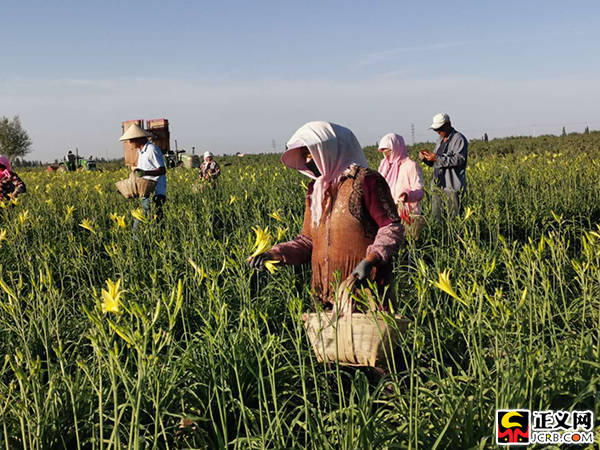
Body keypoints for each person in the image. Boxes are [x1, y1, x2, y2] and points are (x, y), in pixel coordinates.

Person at [248, 121, 404, 307]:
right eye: (304, 155)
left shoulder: (367, 181)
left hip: (364, 289)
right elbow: (307, 241)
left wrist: (371, 260)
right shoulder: (315, 189)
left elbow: (391, 227)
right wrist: (273, 254)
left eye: (310, 154)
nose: (307, 161)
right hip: (324, 295)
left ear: (329, 149)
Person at [418, 113, 468, 221]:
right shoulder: (439, 140)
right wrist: (426, 159)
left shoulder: (459, 139)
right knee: (437, 219)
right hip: (437, 187)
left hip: (452, 187)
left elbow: (459, 159)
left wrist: (436, 158)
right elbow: (436, 163)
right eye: (436, 130)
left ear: (448, 124)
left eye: (440, 129)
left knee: (453, 221)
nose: (438, 132)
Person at [377, 133, 425, 239]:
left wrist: (407, 195)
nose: (386, 155)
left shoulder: (410, 166)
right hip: (388, 212)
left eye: (388, 151)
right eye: (383, 151)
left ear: (397, 148)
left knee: (407, 244)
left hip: (406, 215)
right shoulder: (384, 166)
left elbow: (420, 192)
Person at [119, 123, 166, 226]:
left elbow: (162, 170)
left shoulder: (152, 150)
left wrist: (145, 172)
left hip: (156, 193)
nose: (130, 143)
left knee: (141, 224)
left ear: (139, 138)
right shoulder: (141, 152)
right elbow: (141, 175)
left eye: (132, 140)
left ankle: (136, 240)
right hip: (146, 192)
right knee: (155, 223)